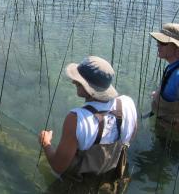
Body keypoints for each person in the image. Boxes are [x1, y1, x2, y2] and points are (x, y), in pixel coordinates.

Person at [39, 56, 137, 192]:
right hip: (110, 184)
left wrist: (46, 143)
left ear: (89, 88)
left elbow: (58, 166)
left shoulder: (76, 119)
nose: (74, 82)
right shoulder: (127, 103)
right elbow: (128, 139)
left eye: (79, 82)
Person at [149, 23, 179, 133]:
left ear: (177, 48)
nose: (157, 45)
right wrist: (158, 94)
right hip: (164, 123)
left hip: (170, 134)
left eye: (162, 42)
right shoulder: (173, 67)